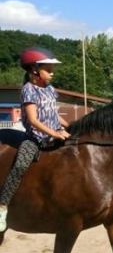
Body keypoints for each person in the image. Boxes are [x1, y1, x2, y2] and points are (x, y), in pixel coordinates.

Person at [0, 47, 70, 232]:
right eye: (49, 69)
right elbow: (33, 120)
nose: (52, 73)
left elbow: (54, 114)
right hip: (35, 138)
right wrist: (54, 133)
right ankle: (2, 207)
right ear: (35, 70)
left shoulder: (50, 89)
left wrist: (68, 126)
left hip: (55, 132)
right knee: (21, 165)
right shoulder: (28, 90)